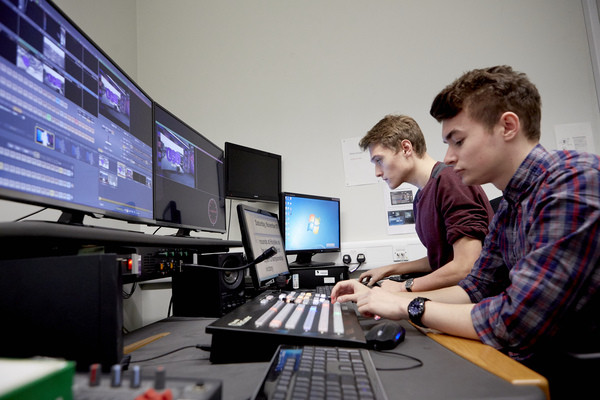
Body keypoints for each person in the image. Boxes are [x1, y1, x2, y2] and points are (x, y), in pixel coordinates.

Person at [331, 65, 600, 398]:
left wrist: (408, 304)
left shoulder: (573, 183)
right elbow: (476, 286)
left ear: (507, 126)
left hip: (563, 373)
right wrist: (387, 297)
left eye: (458, 141)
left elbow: (515, 321)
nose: (448, 157)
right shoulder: (511, 206)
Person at [357, 115, 493, 292]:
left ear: (406, 148)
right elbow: (442, 258)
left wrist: (403, 287)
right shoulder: (422, 196)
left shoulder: (450, 181)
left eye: (379, 160)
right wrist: (389, 269)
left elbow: (465, 265)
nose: (377, 172)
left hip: (476, 301)